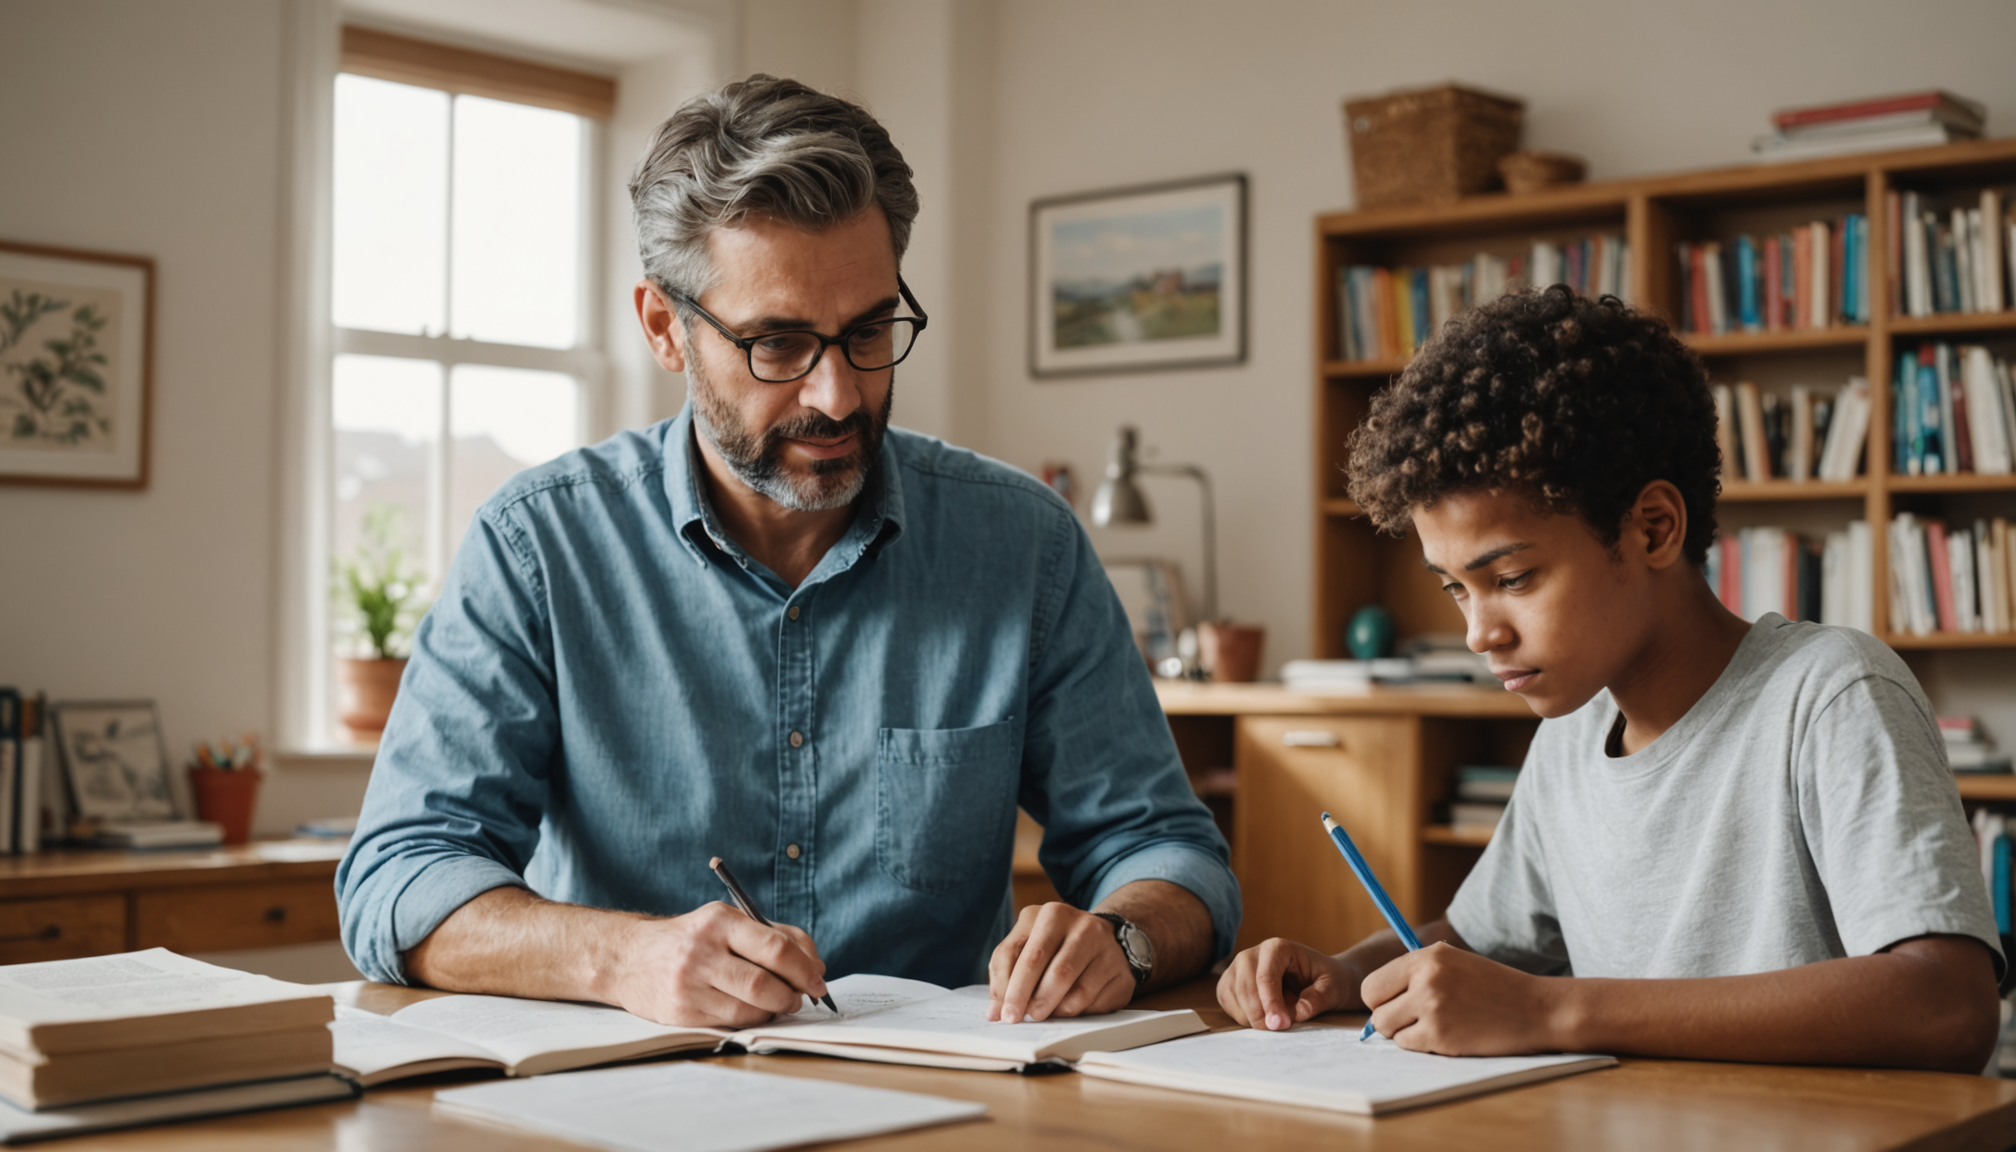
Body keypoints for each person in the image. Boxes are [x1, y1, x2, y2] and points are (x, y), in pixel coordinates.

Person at [336, 74, 1237, 1029]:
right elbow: (399, 876)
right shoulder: (537, 548)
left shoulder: (1023, 546)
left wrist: (1123, 939)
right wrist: (622, 955)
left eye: (869, 332)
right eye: (777, 345)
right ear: (662, 327)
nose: (839, 396)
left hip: (954, 1107)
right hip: (625, 1109)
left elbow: (1167, 852)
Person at [1217, 287, 2003, 1073]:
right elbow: (1486, 943)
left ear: (1653, 528)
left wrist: (1552, 1010)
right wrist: (1352, 973)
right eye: (1456, 587)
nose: (1477, 632)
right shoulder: (1571, 731)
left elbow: (1946, 1003)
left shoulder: (1830, 695)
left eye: (1514, 577)